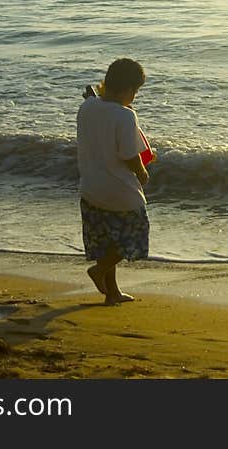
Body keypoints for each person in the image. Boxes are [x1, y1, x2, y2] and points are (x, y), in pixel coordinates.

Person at [76, 58, 151, 304]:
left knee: (106, 241)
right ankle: (99, 271)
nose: (135, 96)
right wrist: (142, 172)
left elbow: (102, 139)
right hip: (119, 191)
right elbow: (129, 155)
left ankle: (113, 293)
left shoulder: (87, 108)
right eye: (136, 91)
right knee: (135, 234)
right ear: (128, 88)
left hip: (90, 188)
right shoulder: (125, 115)